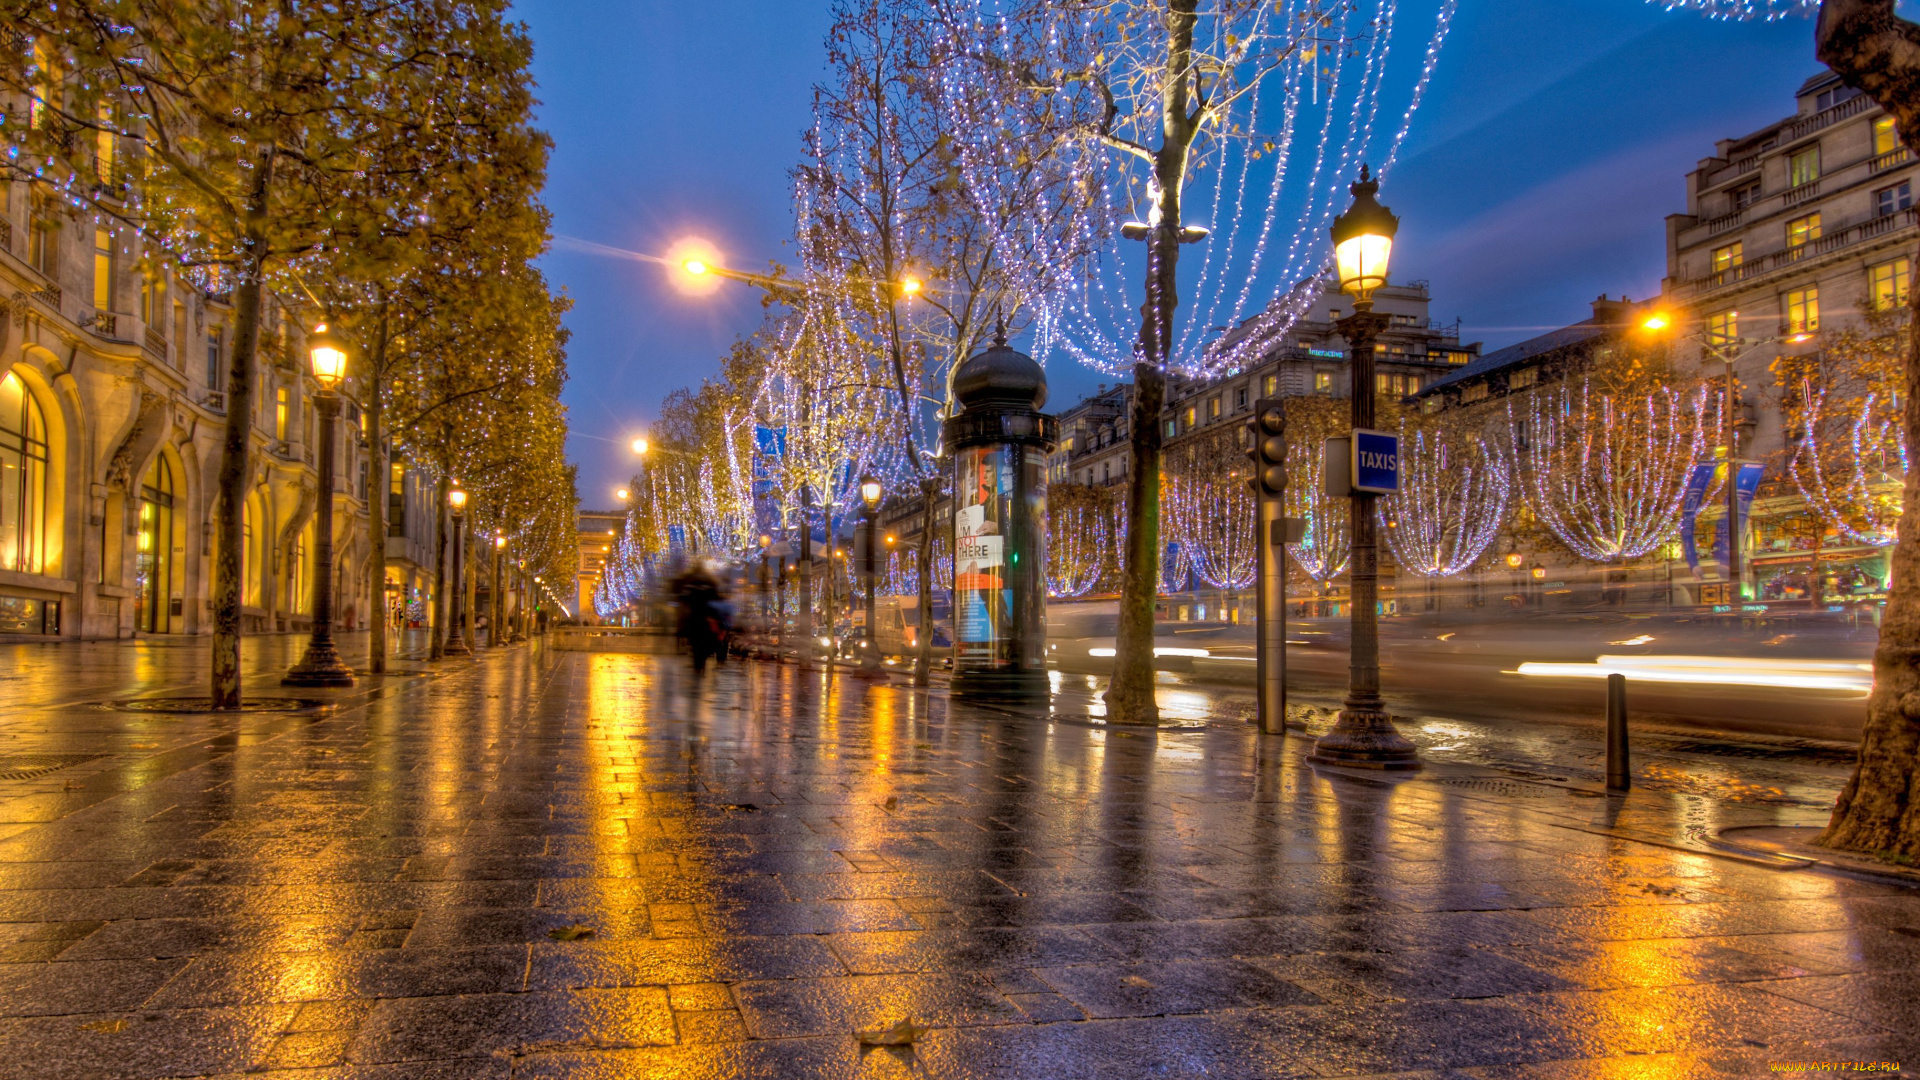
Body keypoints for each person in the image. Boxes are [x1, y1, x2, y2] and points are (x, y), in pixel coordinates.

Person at [672, 565, 727, 675]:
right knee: (705, 643)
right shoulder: (710, 584)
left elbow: (682, 599)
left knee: (695, 643)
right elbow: (717, 600)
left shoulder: (689, 584)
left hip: (694, 620)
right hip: (706, 619)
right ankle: (701, 662)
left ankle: (698, 664)